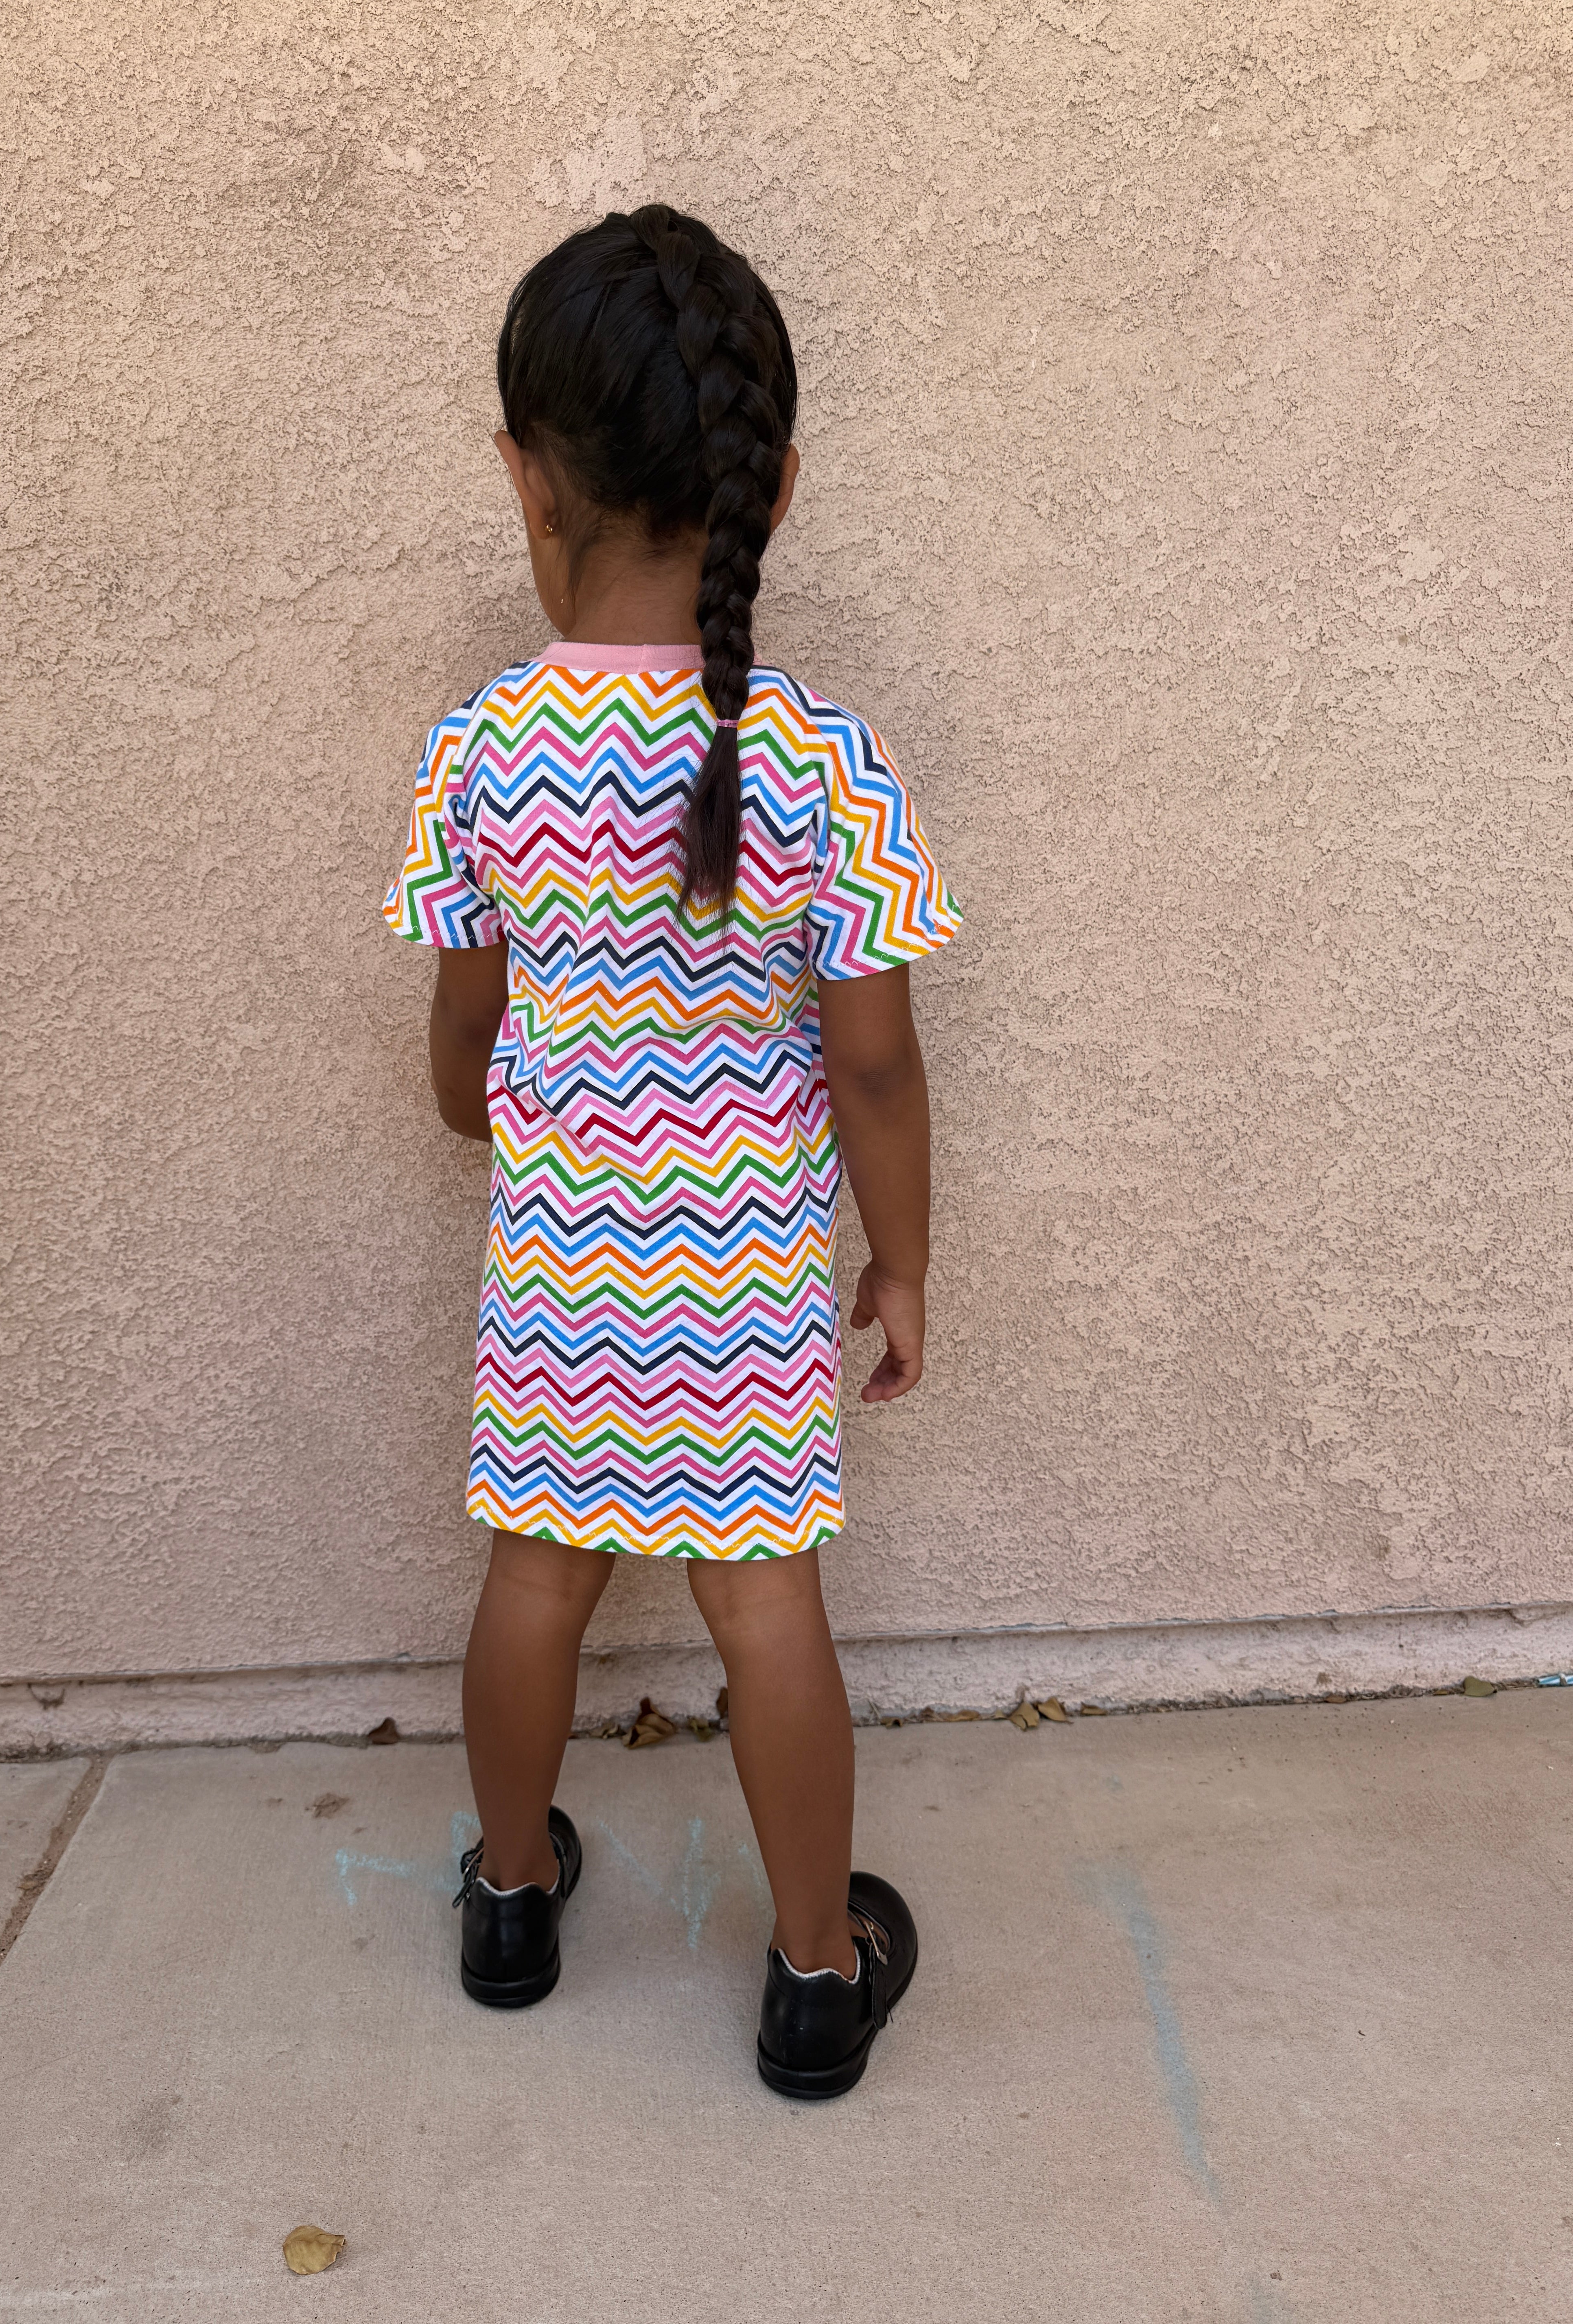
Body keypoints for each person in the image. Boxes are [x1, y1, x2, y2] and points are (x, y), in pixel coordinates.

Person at [382, 205, 959, 2098]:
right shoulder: (819, 765)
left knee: (533, 1579)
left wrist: (480, 1099)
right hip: (745, 1279)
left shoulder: (483, 754)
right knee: (764, 1603)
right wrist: (901, 1260)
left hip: (559, 1270)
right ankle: (811, 1973)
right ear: (777, 489)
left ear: (521, 487)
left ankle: (512, 1892)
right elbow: (873, 1071)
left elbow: (463, 1031)